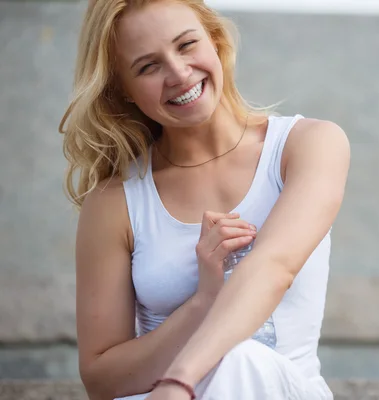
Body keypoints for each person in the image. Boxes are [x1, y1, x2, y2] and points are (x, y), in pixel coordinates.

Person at [59, 0, 350, 399]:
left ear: (215, 41)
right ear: (122, 90)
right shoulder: (115, 201)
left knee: (241, 361)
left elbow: (273, 268)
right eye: (148, 66)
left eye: (186, 45)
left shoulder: (306, 146)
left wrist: (180, 382)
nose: (179, 73)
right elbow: (102, 379)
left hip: (278, 389)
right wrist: (201, 303)